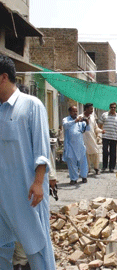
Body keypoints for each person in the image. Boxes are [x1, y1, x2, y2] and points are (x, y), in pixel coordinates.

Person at [0, 55, 56, 269]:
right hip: (2, 196)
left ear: (3, 77)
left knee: (37, 247)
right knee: (2, 247)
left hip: (28, 192)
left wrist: (38, 183)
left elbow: (41, 149)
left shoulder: (31, 105)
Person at [62, 105, 90, 185]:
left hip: (80, 145)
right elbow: (65, 126)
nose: (75, 113)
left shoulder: (80, 120)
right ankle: (74, 178)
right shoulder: (66, 119)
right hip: (70, 145)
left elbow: (87, 129)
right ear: (70, 112)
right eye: (73, 111)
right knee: (71, 162)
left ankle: (84, 176)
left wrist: (87, 123)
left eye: (76, 111)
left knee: (83, 162)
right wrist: (75, 121)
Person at [98, 102, 117, 173]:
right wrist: (99, 132)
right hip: (105, 136)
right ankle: (104, 166)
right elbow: (99, 124)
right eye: (112, 107)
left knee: (113, 152)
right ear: (109, 108)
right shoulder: (104, 115)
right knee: (105, 151)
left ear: (116, 108)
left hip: (114, 137)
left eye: (114, 107)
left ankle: (112, 167)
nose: (113, 108)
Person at [79, 103, 103, 175]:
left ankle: (96, 168)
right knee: (85, 155)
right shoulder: (80, 117)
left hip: (92, 138)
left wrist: (101, 131)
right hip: (83, 139)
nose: (92, 110)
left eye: (92, 109)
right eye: (91, 109)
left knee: (95, 153)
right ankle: (87, 169)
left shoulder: (92, 118)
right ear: (86, 109)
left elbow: (95, 128)